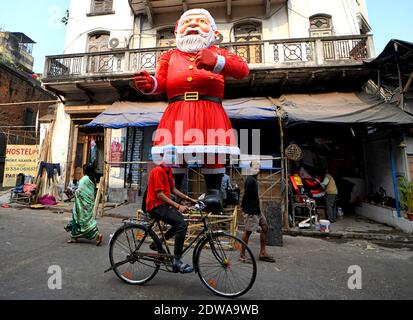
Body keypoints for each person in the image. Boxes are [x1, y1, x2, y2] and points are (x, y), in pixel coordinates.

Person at [134, 8, 249, 194]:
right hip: (177, 111)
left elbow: (243, 70)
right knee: (175, 153)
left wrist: (217, 61)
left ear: (214, 32)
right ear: (177, 31)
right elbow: (161, 82)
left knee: (212, 151)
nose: (193, 24)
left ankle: (213, 192)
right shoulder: (169, 56)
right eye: (187, 22)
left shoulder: (220, 52)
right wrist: (149, 84)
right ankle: (174, 191)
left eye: (200, 21)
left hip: (210, 110)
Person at [146, 154, 198, 274]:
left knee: (181, 222)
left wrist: (190, 199)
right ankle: (177, 260)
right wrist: (178, 206)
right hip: (155, 206)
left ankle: (157, 243)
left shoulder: (168, 170)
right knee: (181, 225)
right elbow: (159, 194)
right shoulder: (158, 171)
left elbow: (173, 189)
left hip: (162, 205)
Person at [240, 161, 275, 263]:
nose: (256, 169)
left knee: (265, 227)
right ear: (250, 168)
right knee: (248, 231)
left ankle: (262, 253)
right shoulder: (250, 180)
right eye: (254, 167)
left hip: (257, 210)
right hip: (251, 210)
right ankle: (242, 255)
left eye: (258, 167)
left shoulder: (254, 179)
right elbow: (246, 196)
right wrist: (247, 210)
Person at [64, 165, 103, 246]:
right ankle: (75, 237)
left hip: (81, 204)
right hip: (88, 204)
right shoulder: (92, 179)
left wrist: (73, 193)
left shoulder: (84, 179)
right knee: (86, 220)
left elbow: (79, 191)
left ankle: (96, 235)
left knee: (79, 220)